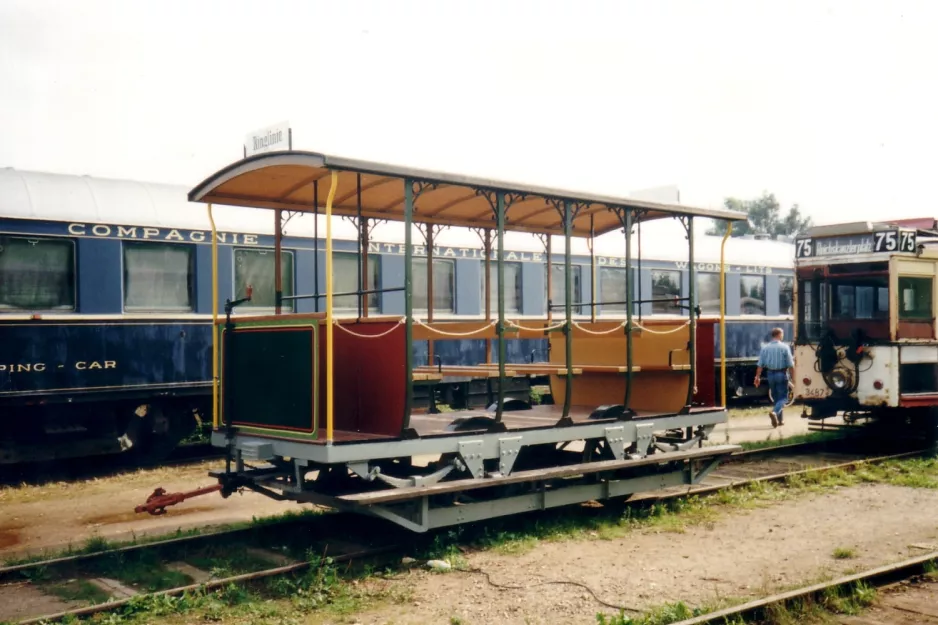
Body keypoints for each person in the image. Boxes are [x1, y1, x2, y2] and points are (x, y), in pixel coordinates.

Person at [754, 327, 794, 427]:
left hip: (770, 374)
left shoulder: (765, 348)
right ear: (779, 335)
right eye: (782, 334)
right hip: (781, 374)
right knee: (784, 398)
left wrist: (757, 377)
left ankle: (780, 421)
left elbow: (760, 365)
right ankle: (775, 413)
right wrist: (794, 378)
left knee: (776, 398)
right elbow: (790, 365)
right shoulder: (785, 347)